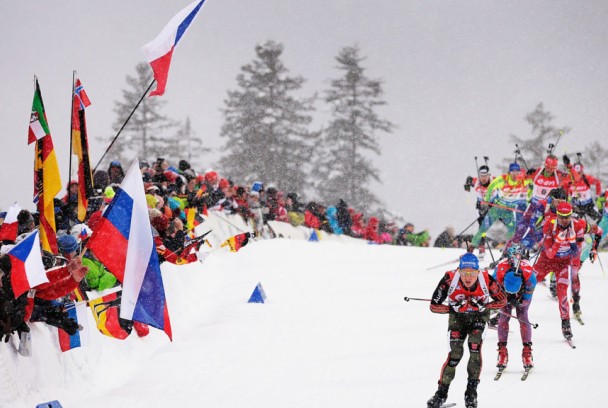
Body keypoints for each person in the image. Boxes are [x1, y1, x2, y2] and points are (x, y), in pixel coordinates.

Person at [427, 253, 507, 408]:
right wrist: (453, 307)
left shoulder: (486, 279)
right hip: (458, 319)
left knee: (474, 349)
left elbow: (502, 300)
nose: (468, 277)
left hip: (478, 319)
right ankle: (441, 394)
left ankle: (471, 393)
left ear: (478, 272)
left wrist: (484, 306)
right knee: (455, 356)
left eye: (472, 273)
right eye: (464, 273)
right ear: (459, 271)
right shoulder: (450, 279)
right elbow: (434, 305)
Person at [532, 201, 603, 340]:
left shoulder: (578, 224)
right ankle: (503, 311)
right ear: (557, 215)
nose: (564, 220)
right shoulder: (550, 225)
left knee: (563, 291)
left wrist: (594, 248)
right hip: (546, 261)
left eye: (567, 216)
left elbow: (598, 232)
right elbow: (551, 254)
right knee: (528, 284)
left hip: (563, 263)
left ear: (571, 215)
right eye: (561, 216)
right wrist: (559, 240)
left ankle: (566, 322)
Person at [492, 244, 537, 370]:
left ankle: (527, 351)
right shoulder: (499, 270)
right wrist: (503, 299)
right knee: (503, 318)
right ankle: (502, 350)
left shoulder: (529, 276)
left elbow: (527, 299)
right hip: (504, 294)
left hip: (522, 296)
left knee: (523, 317)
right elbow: (492, 289)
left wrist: (520, 302)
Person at [471, 162, 528, 258]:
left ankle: (509, 252)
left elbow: (532, 182)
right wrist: (487, 201)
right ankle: (470, 250)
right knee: (483, 228)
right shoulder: (502, 179)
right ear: (509, 172)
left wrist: (529, 200)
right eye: (513, 172)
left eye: (517, 173)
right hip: (497, 209)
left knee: (512, 231)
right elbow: (490, 188)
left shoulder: (522, 181)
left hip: (509, 211)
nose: (515, 175)